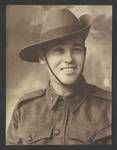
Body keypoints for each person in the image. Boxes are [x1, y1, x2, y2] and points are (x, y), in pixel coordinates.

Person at [6, 8, 112, 145]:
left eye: (76, 49)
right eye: (58, 50)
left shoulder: (109, 108)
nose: (69, 58)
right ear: (42, 58)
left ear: (84, 53)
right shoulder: (24, 110)